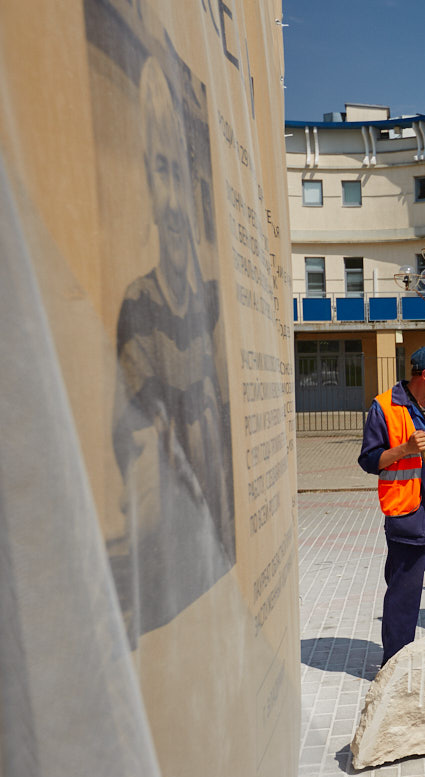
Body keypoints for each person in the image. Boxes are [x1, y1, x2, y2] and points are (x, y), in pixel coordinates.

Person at [110, 57, 234, 639]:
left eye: (179, 170)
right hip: (178, 550)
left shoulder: (210, 300)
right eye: (158, 170)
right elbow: (141, 444)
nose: (172, 193)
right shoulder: (139, 304)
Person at [358, 344, 425, 666]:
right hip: (408, 517)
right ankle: (395, 666)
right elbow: (369, 460)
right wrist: (404, 449)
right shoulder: (385, 408)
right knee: (404, 598)